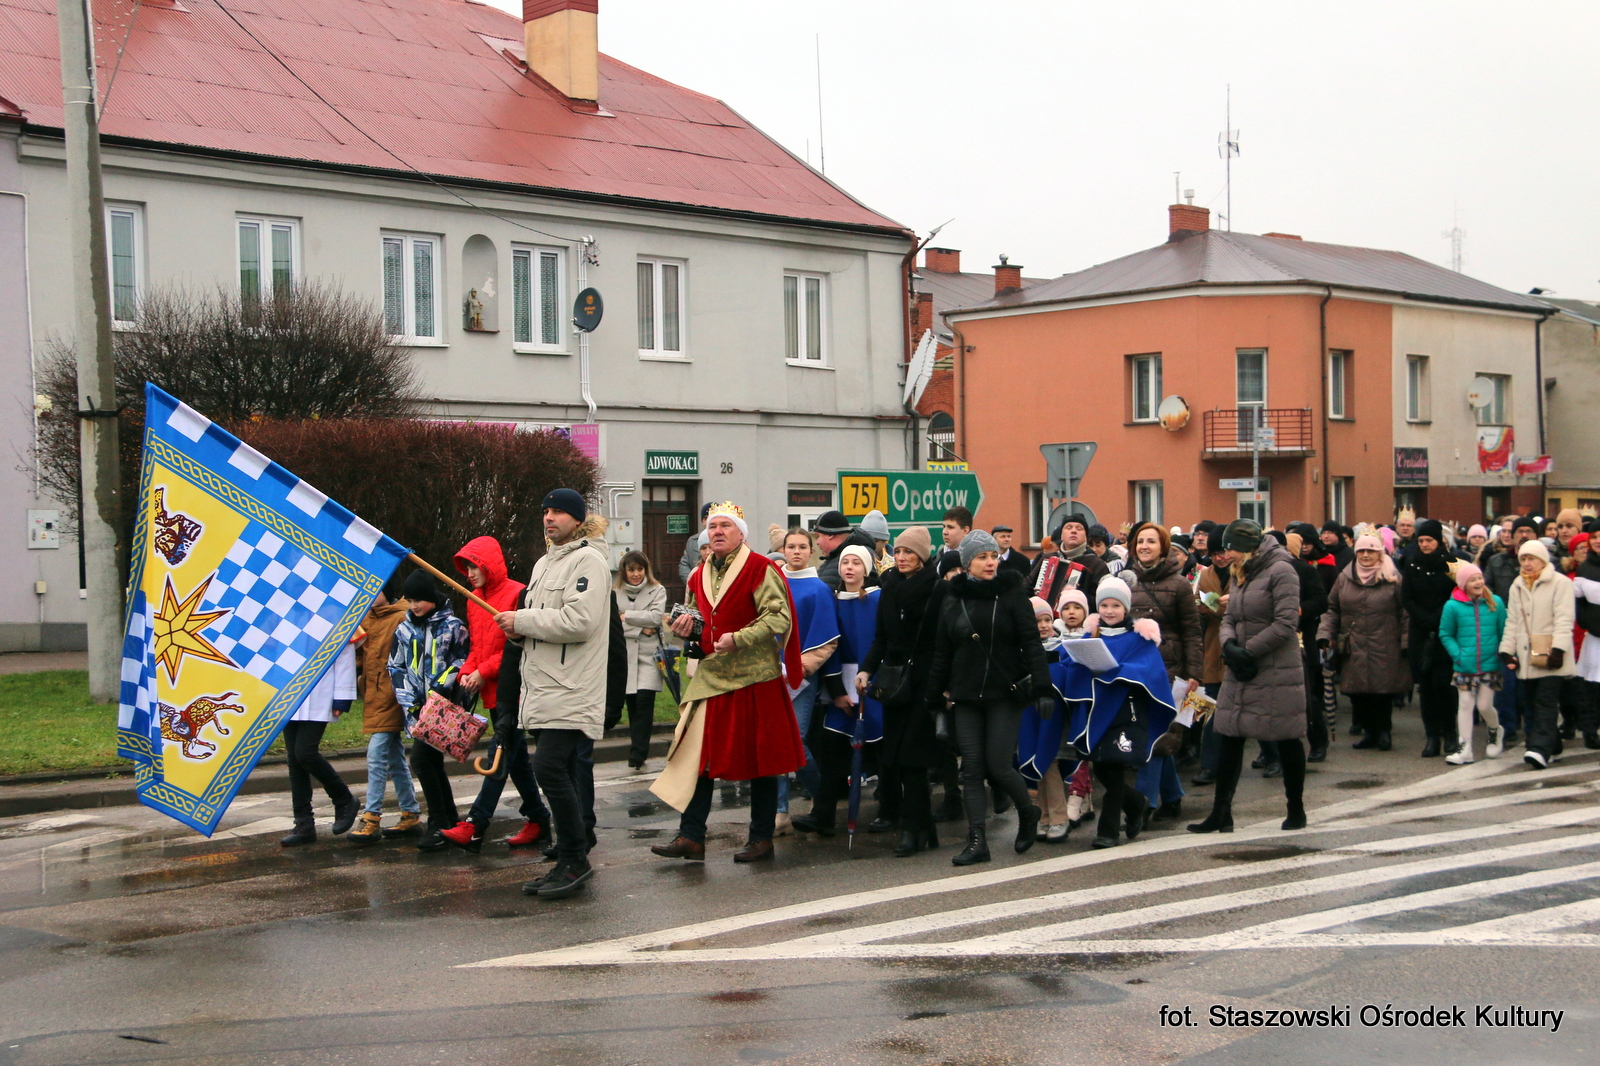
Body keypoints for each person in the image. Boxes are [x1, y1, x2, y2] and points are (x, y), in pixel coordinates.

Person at [651, 502, 807, 863]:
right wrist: (684, 629)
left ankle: (761, 838)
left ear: (741, 533)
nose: (717, 531)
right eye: (712, 526)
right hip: (712, 676)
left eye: (725, 525)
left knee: (760, 760)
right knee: (699, 757)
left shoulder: (760, 569)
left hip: (755, 676)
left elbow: (778, 618)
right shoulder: (697, 574)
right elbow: (694, 618)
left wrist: (740, 637)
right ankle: (691, 835)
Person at [494, 488, 612, 899]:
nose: (549, 518)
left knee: (548, 769)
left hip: (572, 688)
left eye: (559, 511)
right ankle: (568, 853)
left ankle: (575, 859)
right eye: (546, 511)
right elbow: (540, 626)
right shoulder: (544, 563)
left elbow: (579, 621)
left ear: (578, 520)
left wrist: (522, 619)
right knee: (558, 772)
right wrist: (516, 632)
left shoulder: (590, 561)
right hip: (542, 688)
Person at [924, 529, 1050, 865]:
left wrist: (1042, 687)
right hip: (965, 695)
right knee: (971, 770)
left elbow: (1031, 644)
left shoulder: (1012, 595)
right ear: (967, 563)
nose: (990, 562)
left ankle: (1028, 812)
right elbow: (942, 652)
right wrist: (933, 695)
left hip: (1003, 694)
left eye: (993, 556)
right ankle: (977, 840)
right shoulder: (952, 599)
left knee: (998, 765)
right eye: (982, 557)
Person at [1189, 520, 1308, 834]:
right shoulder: (1241, 570)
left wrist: (1248, 650)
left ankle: (1296, 808)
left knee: (1286, 735)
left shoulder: (1282, 571)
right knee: (1229, 734)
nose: (1226, 555)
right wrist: (1229, 644)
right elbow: (1229, 616)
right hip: (1240, 668)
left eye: (1230, 549)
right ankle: (1221, 813)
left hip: (1276, 668)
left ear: (1248, 547)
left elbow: (1285, 624)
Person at [438, 537, 551, 854]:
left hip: (514, 690)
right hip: (490, 691)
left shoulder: (517, 593)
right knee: (514, 761)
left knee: (498, 757)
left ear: (490, 564)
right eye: (468, 567)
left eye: (475, 565)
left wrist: (482, 671)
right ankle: (539, 818)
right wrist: (467, 673)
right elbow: (477, 646)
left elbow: (517, 649)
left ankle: (475, 825)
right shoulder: (475, 599)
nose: (471, 572)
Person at [1061, 577, 1179, 849]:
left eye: (1116, 605)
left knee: (1113, 769)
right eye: (1104, 605)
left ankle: (1108, 831)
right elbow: (1070, 662)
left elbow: (1149, 670)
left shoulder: (1139, 637)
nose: (1109, 611)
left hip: (1126, 711)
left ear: (1126, 608)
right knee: (1102, 769)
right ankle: (1136, 803)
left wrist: (1114, 670)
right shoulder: (1091, 635)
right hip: (1096, 713)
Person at [858, 525, 948, 856]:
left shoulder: (938, 590)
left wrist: (943, 687)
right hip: (896, 684)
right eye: (898, 551)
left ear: (922, 556)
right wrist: (867, 668)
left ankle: (912, 830)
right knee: (896, 759)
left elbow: (943, 643)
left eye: (909, 552)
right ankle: (925, 828)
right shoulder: (889, 586)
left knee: (913, 760)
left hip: (926, 683)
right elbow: (881, 636)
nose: (902, 557)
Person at [795, 546, 883, 835]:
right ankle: (823, 814)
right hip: (840, 688)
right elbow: (828, 647)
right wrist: (836, 691)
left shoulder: (879, 599)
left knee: (881, 750)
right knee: (832, 753)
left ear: (866, 570)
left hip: (873, 686)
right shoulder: (831, 600)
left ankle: (891, 810)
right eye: (845, 561)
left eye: (856, 562)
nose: (849, 567)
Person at [1123, 522, 1203, 824]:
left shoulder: (1180, 584)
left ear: (1163, 547)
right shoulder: (1126, 581)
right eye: (1140, 541)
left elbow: (1193, 632)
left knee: (1158, 736)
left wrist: (1195, 672)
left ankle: (1143, 804)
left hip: (1172, 669)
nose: (1144, 546)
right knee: (1153, 735)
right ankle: (1172, 796)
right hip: (1136, 668)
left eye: (1151, 542)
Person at [387, 569, 469, 851]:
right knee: (431, 763)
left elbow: (461, 661)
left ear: (432, 597)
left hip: (443, 708)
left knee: (421, 762)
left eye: (419, 599)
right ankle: (448, 820)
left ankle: (438, 823)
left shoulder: (453, 626)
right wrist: (409, 699)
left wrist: (441, 688)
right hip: (416, 709)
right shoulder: (404, 629)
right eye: (410, 600)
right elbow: (395, 665)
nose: (414, 606)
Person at [1318, 533, 1411, 751]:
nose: (1366, 555)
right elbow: (1332, 609)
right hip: (1354, 644)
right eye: (1361, 551)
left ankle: (1384, 732)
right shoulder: (1345, 577)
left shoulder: (1393, 578)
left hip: (1386, 642)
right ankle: (1369, 733)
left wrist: (1407, 641)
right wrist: (1325, 634)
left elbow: (1405, 611)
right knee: (1358, 693)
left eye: (1371, 551)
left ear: (1380, 553)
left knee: (1383, 692)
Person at [348, 578, 421, 843]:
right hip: (374, 697)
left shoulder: (401, 617)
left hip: (394, 697)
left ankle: (371, 817)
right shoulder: (365, 617)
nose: (370, 594)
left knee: (377, 753)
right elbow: (360, 654)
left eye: (376, 590)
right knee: (394, 757)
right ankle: (410, 812)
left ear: (388, 592)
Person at [777, 528, 839, 831]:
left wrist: (799, 668)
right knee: (775, 743)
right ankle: (780, 811)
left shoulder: (818, 589)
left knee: (796, 740)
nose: (797, 552)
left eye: (803, 546)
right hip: (769, 673)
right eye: (791, 546)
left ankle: (821, 795)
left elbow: (827, 638)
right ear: (784, 550)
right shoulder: (773, 583)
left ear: (811, 550)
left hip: (801, 677)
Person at [1501, 540, 1577, 770]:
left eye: (1531, 558)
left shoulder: (1560, 583)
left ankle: (1539, 748)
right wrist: (1506, 650)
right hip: (1526, 656)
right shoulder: (1517, 585)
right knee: (1530, 702)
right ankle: (1551, 743)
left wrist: (1559, 649)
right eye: (1523, 559)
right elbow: (1512, 621)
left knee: (1545, 701)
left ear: (1543, 560)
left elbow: (1564, 618)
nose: (1526, 563)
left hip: (1551, 653)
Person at [278, 640, 359, 846]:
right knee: (294, 760)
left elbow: (344, 652)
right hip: (287, 689)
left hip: (320, 691)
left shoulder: (332, 610)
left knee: (305, 753)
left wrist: (342, 695)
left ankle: (344, 799)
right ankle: (303, 823)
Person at [1400, 519, 1461, 757]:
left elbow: (1455, 594)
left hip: (1445, 632)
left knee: (1444, 687)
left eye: (1429, 540)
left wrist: (1438, 618)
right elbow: (1407, 597)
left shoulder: (1452, 564)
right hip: (1420, 632)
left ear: (1439, 541)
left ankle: (1450, 735)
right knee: (1425, 688)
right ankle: (1431, 737)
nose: (1425, 544)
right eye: (1422, 540)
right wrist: (1422, 618)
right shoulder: (1411, 563)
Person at [1437, 562, 1507, 765]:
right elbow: (1446, 633)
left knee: (1485, 706)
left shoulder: (1495, 602)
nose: (1478, 582)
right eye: (1472, 580)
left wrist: (1502, 654)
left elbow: (1504, 630)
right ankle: (1464, 747)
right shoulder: (1452, 606)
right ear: (1463, 584)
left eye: (1479, 578)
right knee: (1465, 704)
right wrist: (1458, 655)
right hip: (1464, 664)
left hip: (1490, 663)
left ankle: (1495, 730)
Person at [615, 551, 668, 770]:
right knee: (633, 705)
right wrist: (640, 626)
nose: (636, 574)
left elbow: (655, 618)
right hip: (625, 656)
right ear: (624, 572)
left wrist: (626, 617)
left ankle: (638, 753)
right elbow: (611, 623)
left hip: (648, 656)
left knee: (645, 703)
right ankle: (637, 749)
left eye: (639, 569)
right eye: (631, 570)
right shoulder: (614, 593)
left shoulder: (657, 590)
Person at [1191, 543, 1234, 785]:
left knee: (1251, 707)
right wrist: (1207, 606)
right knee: (1210, 709)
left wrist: (1216, 605)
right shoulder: (1204, 574)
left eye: (1224, 552)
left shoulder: (1244, 571)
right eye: (1214, 553)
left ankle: (1271, 756)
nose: (1220, 558)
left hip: (1240, 644)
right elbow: (1197, 604)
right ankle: (1209, 765)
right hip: (1211, 646)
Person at [1026, 513, 1109, 611]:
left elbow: (1103, 599)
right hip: (1047, 620)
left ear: (1086, 537)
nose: (1073, 531)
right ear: (1062, 535)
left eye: (1079, 528)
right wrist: (1035, 594)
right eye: (1068, 527)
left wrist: (1080, 595)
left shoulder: (1096, 564)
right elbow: (1026, 586)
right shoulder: (1047, 559)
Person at [816, 510, 879, 590]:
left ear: (830, 535)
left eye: (818, 536)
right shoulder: (833, 558)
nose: (817, 542)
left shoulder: (863, 554)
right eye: (845, 562)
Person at [679, 502, 714, 584]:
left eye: (712, 517)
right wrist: (693, 582)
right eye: (706, 518)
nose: (709, 521)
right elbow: (684, 565)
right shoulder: (693, 541)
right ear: (702, 521)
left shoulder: (729, 541)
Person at [935, 506, 974, 578]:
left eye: (950, 527)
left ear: (965, 531)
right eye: (944, 527)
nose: (944, 532)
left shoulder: (975, 560)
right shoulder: (936, 559)